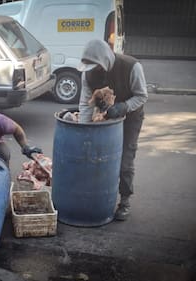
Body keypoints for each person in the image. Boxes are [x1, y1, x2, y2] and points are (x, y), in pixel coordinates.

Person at [77, 39, 148, 221]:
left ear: (105, 60)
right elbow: (86, 103)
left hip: (131, 117)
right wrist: (84, 130)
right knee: (98, 157)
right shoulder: (88, 74)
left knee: (125, 160)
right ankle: (99, 197)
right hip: (105, 116)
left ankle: (124, 201)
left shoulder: (132, 67)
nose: (94, 70)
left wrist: (123, 107)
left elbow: (142, 96)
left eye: (97, 67)